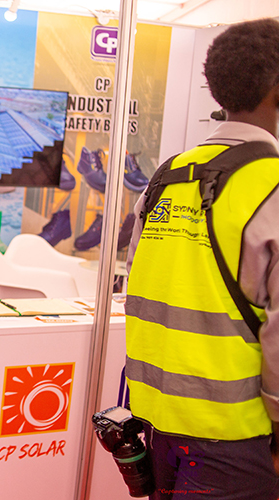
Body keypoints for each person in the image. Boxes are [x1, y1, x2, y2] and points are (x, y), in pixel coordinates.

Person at [125, 18, 279, 499]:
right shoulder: (271, 185)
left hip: (157, 423)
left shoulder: (167, 176)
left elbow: (139, 280)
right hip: (238, 436)